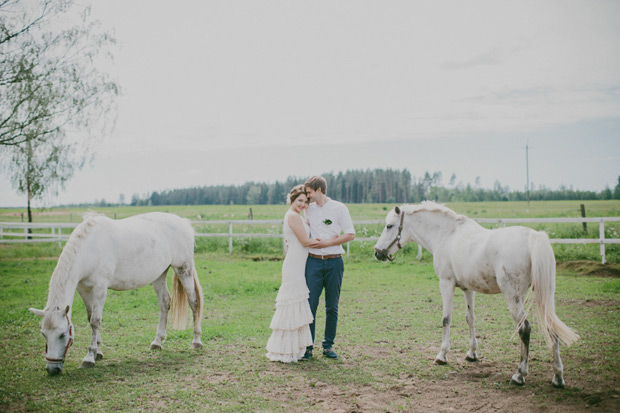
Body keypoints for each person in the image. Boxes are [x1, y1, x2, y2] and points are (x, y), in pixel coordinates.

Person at [302, 176, 355, 360]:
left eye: (309, 192)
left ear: (318, 190)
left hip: (334, 262)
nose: (307, 196)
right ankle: (308, 347)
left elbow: (350, 234)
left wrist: (327, 243)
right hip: (313, 262)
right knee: (310, 305)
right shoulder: (308, 210)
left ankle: (328, 345)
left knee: (332, 306)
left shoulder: (339, 208)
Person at [266, 185, 315, 362]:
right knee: (292, 302)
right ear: (292, 200)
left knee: (298, 302)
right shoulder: (293, 216)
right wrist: (326, 242)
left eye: (305, 201)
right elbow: (304, 241)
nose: (302, 204)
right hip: (294, 263)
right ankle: (286, 349)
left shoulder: (299, 216)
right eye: (299, 201)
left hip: (300, 262)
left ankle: (297, 347)